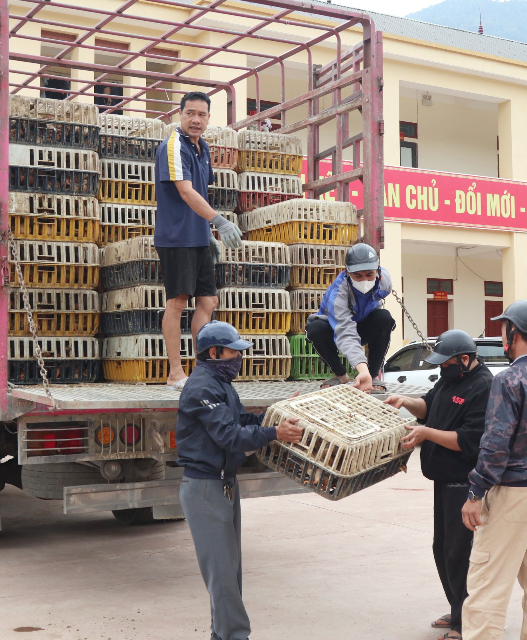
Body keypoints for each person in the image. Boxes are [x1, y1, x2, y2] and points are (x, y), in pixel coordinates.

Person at [176, 321, 303, 640]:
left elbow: (243, 421)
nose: (239, 357)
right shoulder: (203, 386)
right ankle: (235, 636)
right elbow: (229, 436)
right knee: (222, 575)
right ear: (214, 353)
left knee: (230, 573)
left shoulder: (220, 383)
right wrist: (275, 433)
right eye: (234, 351)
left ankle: (222, 634)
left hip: (223, 484)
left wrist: (278, 413)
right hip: (205, 487)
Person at [459, 300, 527, 640]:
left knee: (487, 584)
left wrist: (476, 492)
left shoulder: (508, 380)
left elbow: (495, 444)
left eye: (504, 328)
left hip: (515, 491)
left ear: (514, 334)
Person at [385, 330, 494, 640]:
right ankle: (458, 608)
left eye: (445, 363)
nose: (441, 369)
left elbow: (468, 442)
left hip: (465, 483)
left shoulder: (483, 387)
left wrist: (426, 433)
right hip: (443, 480)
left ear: (465, 359)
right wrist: (405, 401)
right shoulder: (450, 378)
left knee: (460, 553)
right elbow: (428, 405)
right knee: (443, 548)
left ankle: (466, 623)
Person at [155, 91, 243, 390]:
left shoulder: (201, 148)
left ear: (208, 118)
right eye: (190, 113)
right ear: (179, 115)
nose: (196, 119)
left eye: (202, 114)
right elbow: (185, 191)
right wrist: (217, 221)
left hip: (197, 237)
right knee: (178, 302)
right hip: (177, 236)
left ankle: (202, 370)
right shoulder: (173, 146)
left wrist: (207, 234)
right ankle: (175, 373)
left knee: (209, 301)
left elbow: (201, 194)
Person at [306, 243, 396, 393]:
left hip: (363, 325)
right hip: (336, 329)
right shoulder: (338, 294)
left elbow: (379, 301)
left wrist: (367, 373)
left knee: (384, 318)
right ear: (347, 272)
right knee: (315, 329)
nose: (364, 280)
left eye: (369, 274)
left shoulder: (385, 282)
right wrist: (362, 369)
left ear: (378, 270)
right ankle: (340, 375)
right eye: (357, 276)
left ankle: (373, 376)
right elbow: (346, 332)